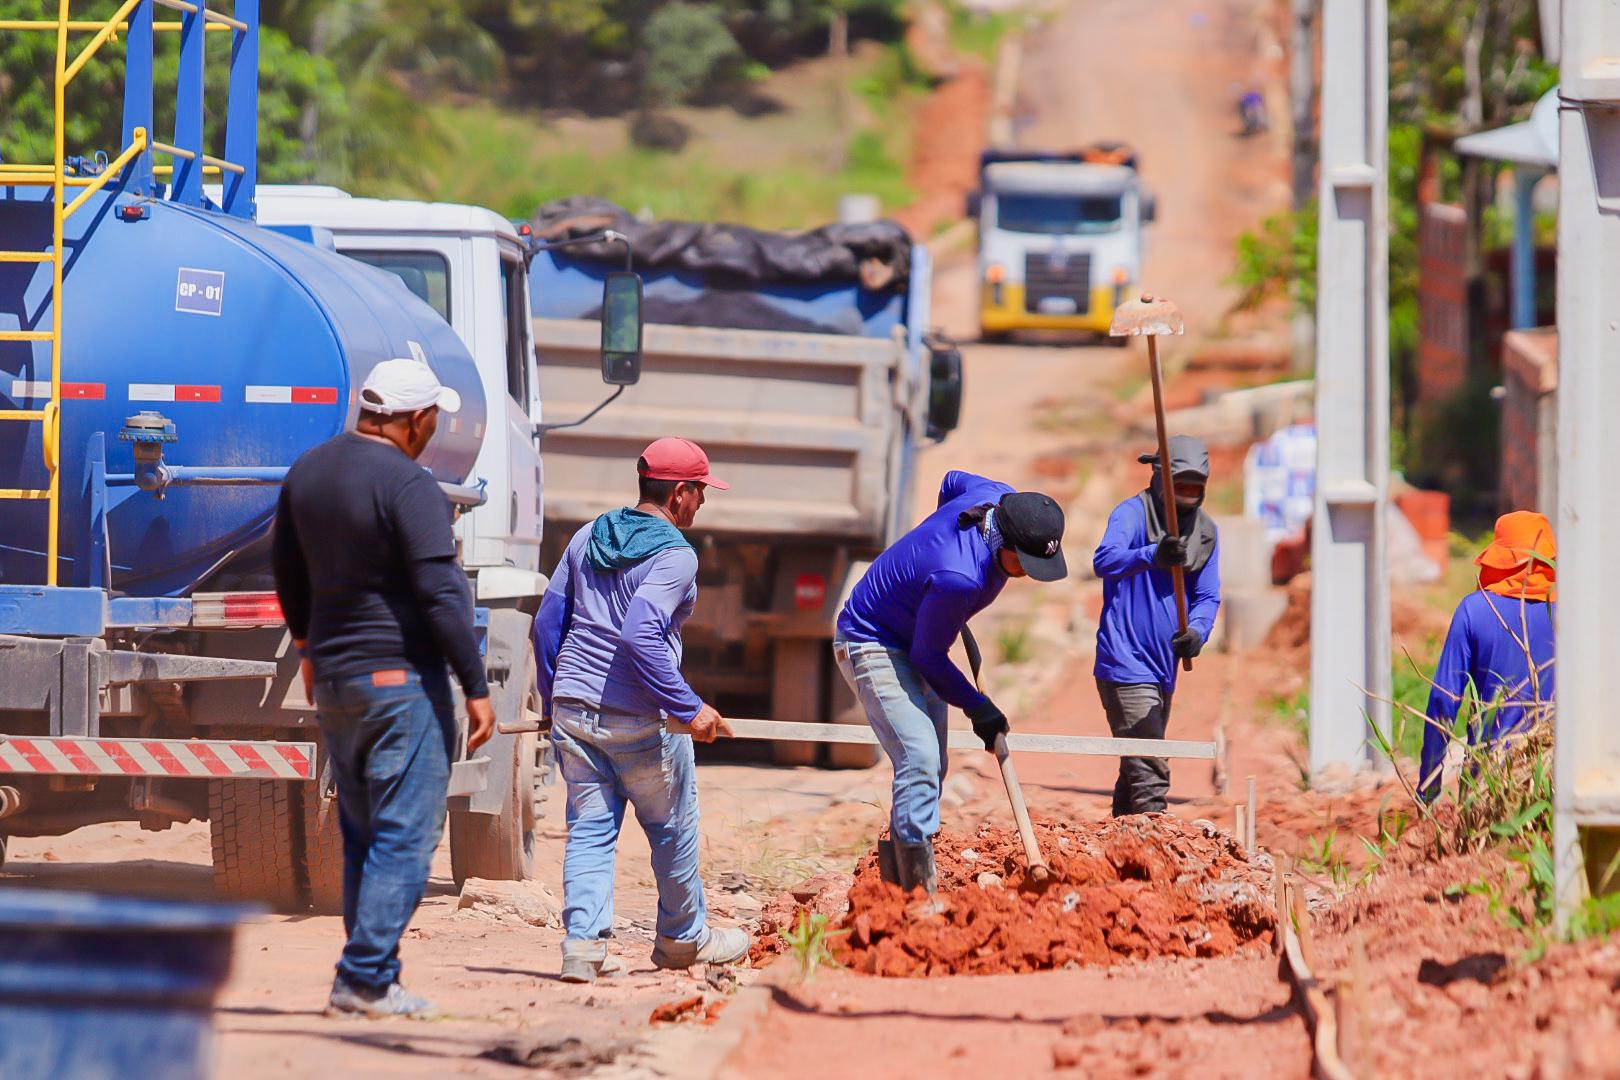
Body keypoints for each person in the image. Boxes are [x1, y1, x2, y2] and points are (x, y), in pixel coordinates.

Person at [273, 358, 495, 1019]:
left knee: (366, 832)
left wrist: (310, 648)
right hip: (400, 683)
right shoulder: (410, 484)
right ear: (417, 419)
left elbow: (287, 571)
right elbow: (439, 592)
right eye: (434, 420)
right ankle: (365, 977)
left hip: (337, 680)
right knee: (406, 833)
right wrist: (476, 685)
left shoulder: (308, 472)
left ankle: (376, 977)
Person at [534, 437, 746, 984]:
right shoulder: (675, 555)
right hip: (641, 721)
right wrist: (689, 706)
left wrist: (554, 695)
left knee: (589, 829)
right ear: (679, 493)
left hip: (575, 712)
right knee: (672, 826)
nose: (702, 504)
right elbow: (640, 632)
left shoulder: (587, 537)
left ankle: (582, 947)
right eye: (700, 493)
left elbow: (546, 624)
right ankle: (682, 940)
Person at [835, 470, 1069, 899]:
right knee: (920, 758)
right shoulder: (959, 577)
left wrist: (930, 569)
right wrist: (977, 705)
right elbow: (928, 657)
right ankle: (916, 899)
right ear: (1008, 544)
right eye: (1028, 565)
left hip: (919, 633)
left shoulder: (998, 496)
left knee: (931, 768)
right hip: (871, 640)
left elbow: (950, 479)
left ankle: (894, 886)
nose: (1031, 575)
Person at [1092, 435, 1221, 817]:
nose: (1188, 496)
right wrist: (1152, 553)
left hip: (1163, 669)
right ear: (1160, 479)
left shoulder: (1206, 531)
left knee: (1134, 767)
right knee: (1150, 773)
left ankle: (1120, 857)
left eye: (1195, 489)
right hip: (1124, 662)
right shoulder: (1132, 514)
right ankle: (1155, 853)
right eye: (1180, 487)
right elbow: (1105, 560)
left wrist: (1197, 632)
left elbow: (1208, 596)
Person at [1418, 511, 1556, 802]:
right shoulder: (1575, 613)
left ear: (1500, 558)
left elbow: (1444, 700)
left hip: (1489, 782)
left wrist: (1429, 782)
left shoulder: (1475, 610)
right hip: (1557, 776)